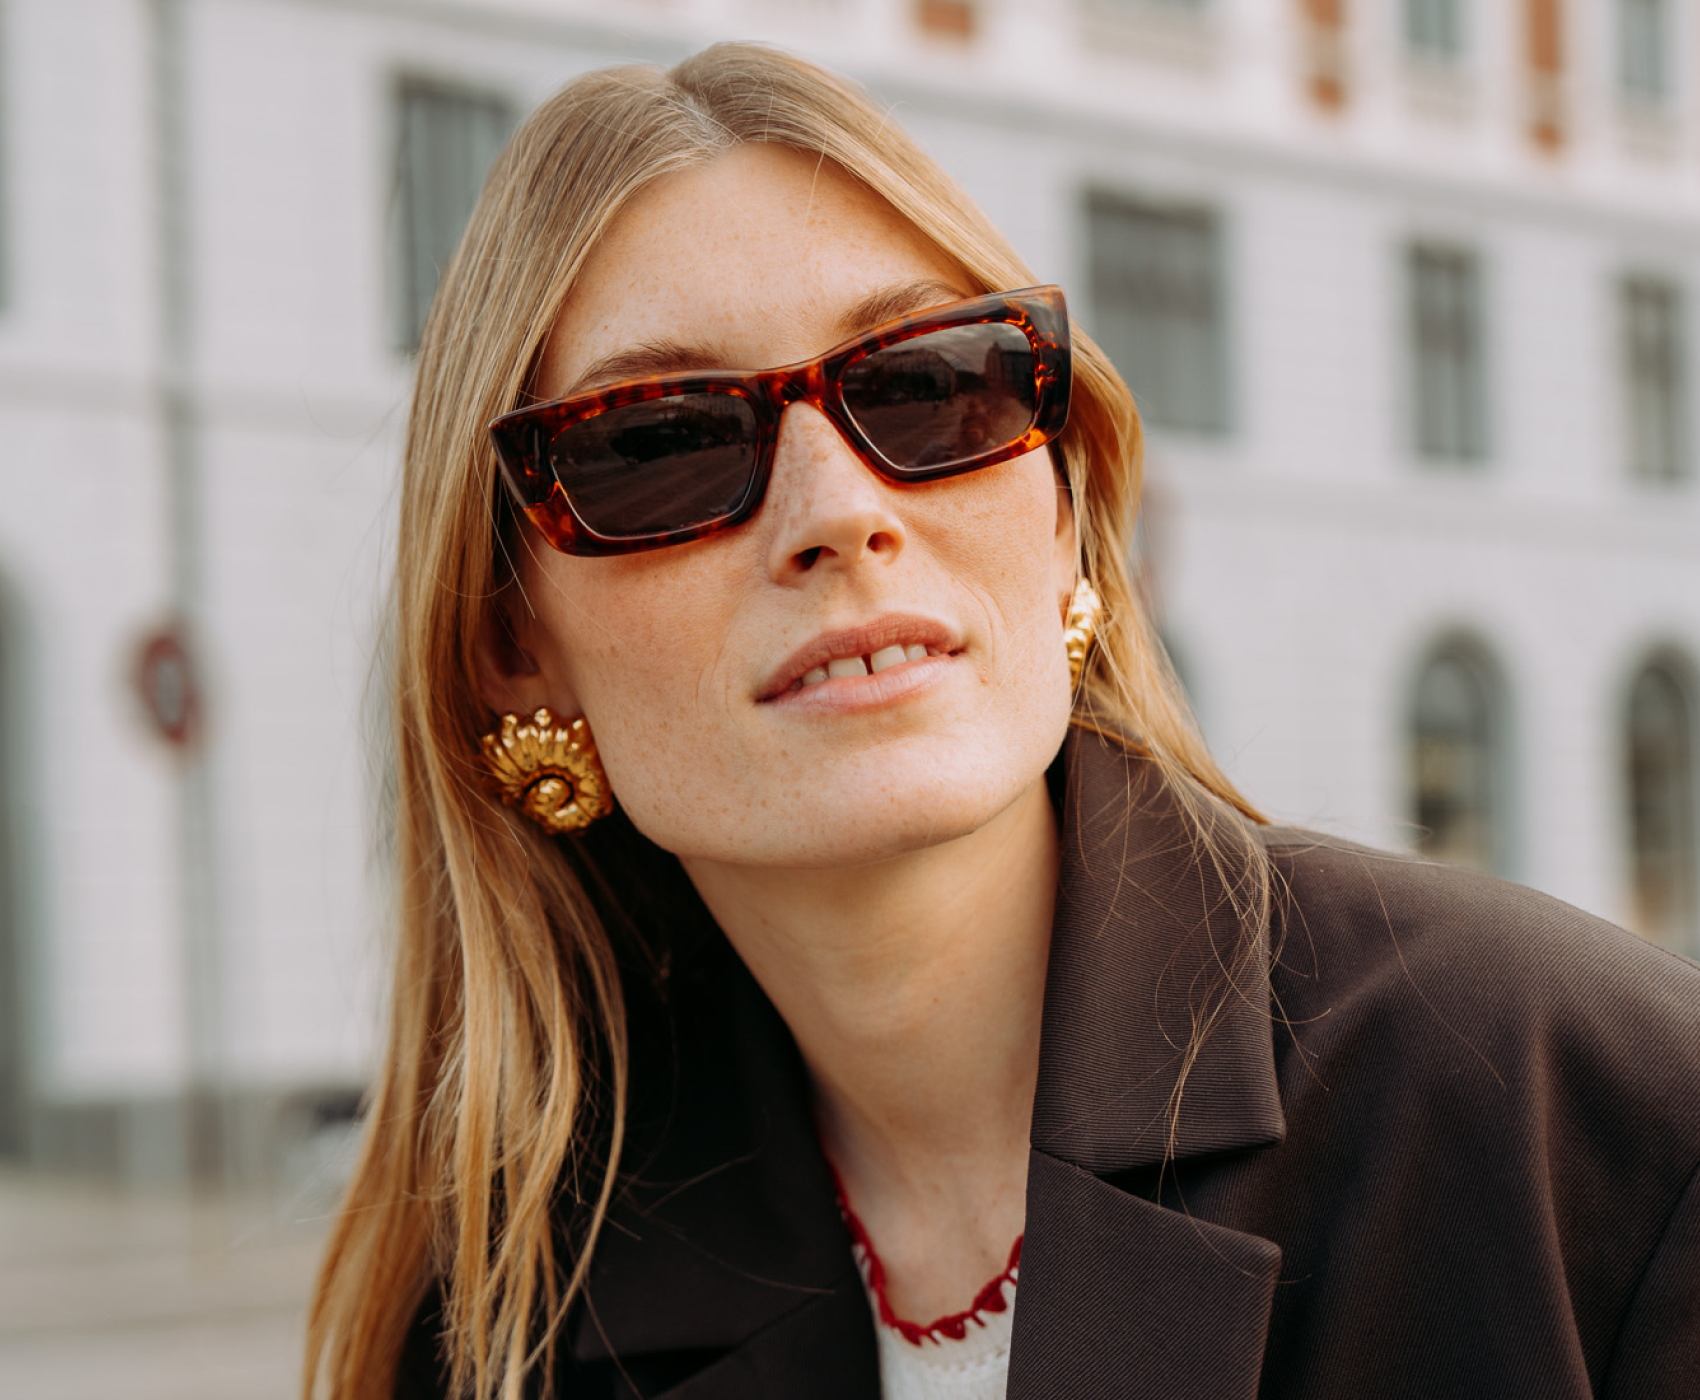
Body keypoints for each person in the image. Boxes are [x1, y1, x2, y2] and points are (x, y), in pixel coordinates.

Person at [305, 42, 1700, 1400]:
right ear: (510, 646)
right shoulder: (505, 1331)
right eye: (663, 441)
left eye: (925, 384)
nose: (843, 511)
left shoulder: (1584, 1119)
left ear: (1066, 517)